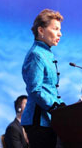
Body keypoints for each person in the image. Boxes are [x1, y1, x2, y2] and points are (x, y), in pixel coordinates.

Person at [21, 9, 64, 148]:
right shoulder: (36, 54)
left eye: (60, 29)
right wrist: (56, 106)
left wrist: (64, 108)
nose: (60, 33)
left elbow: (50, 89)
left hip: (48, 118)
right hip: (38, 120)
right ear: (41, 30)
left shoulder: (46, 53)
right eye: (55, 29)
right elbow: (35, 90)